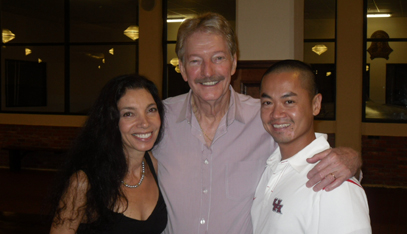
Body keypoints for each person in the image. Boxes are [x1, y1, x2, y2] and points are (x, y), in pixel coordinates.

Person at [152, 12, 362, 234]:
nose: (208, 72)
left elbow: (305, 153)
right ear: (183, 69)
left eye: (218, 58)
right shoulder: (157, 120)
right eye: (195, 61)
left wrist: (352, 160)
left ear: (233, 63)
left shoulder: (267, 118)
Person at [251, 60, 371, 234]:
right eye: (267, 103)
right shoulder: (271, 167)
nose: (276, 114)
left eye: (289, 101)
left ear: (316, 104)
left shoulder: (334, 183)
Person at [49, 74, 167, 234]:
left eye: (151, 110)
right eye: (129, 114)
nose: (145, 123)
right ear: (111, 121)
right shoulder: (84, 182)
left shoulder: (152, 165)